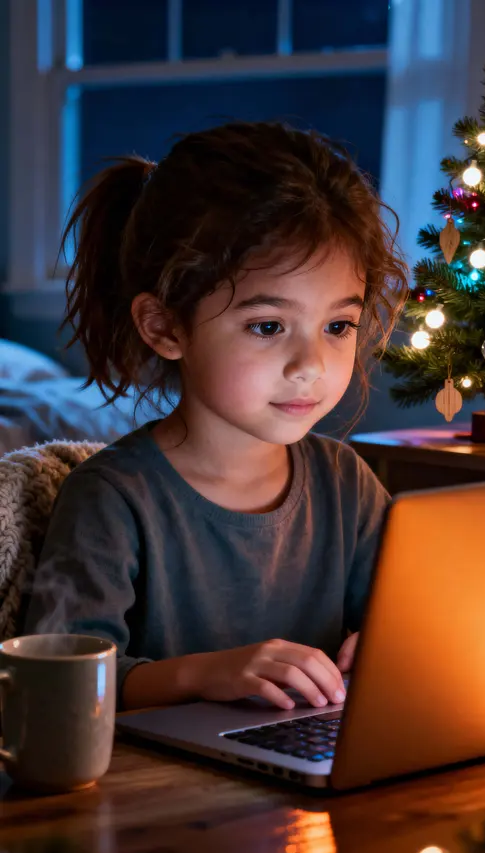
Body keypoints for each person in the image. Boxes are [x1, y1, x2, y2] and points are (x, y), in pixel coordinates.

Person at [24, 121, 407, 712]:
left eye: (338, 326)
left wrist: (383, 646)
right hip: (156, 795)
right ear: (165, 326)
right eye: (267, 326)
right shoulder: (113, 498)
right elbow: (57, 687)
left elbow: (403, 623)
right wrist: (205, 675)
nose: (311, 365)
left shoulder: (346, 484)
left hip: (309, 772)